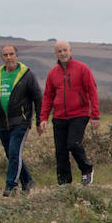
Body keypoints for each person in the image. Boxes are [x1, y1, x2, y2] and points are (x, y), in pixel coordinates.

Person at [39, 40, 98, 186]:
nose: (63, 53)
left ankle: (86, 169)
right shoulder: (53, 73)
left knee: (73, 144)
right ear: (55, 54)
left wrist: (95, 115)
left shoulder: (82, 69)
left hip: (79, 113)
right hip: (59, 116)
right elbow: (47, 96)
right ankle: (64, 183)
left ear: (70, 51)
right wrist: (43, 118)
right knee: (60, 151)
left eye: (65, 50)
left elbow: (92, 91)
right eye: (59, 51)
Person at [0, 45, 41, 195]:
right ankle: (27, 180)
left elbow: (37, 97)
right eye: (5, 55)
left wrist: (39, 120)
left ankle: (11, 186)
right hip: (3, 122)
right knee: (11, 154)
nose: (9, 57)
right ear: (2, 58)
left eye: (11, 54)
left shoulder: (26, 75)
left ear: (16, 56)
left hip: (21, 121)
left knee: (14, 152)